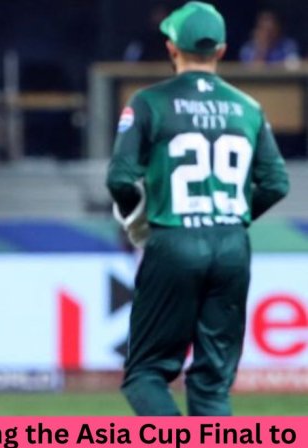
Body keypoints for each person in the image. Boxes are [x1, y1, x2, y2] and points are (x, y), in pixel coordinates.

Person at [107, 1, 289, 416]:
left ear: (171, 47)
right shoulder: (248, 108)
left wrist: (138, 220)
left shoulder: (149, 102)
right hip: (231, 244)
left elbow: (119, 178)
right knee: (212, 384)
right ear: (221, 50)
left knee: (145, 374)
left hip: (173, 239)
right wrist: (233, 215)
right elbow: (277, 183)